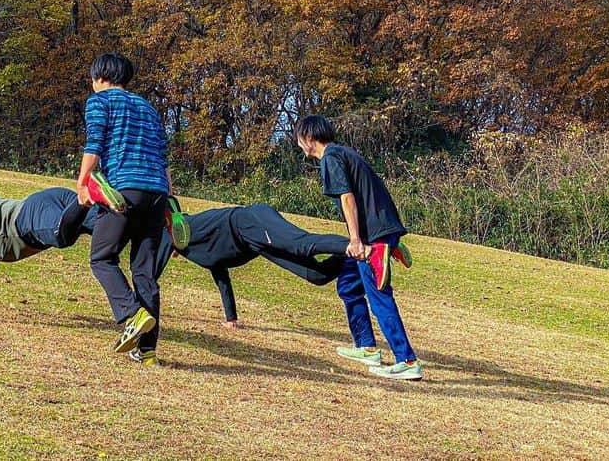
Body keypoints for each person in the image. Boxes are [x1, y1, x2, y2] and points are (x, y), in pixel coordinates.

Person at [296, 114, 422, 381]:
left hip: (371, 239)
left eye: (299, 140)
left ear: (308, 138)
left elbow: (347, 198)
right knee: (348, 286)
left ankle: (407, 360)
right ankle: (366, 346)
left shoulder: (330, 157)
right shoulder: (344, 152)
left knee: (379, 297)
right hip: (379, 232)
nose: (299, 146)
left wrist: (355, 239)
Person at [78, 53, 172, 366]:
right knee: (144, 271)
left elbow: (94, 145)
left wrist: (82, 183)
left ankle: (132, 315)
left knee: (102, 257)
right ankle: (147, 351)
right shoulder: (148, 108)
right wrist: (169, 203)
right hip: (156, 193)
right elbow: (162, 158)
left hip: (123, 191)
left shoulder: (100, 101)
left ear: (98, 77)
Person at [0, 185, 119, 321]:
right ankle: (128, 211)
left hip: (31, 218)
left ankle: (88, 193)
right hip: (50, 197)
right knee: (110, 224)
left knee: (61, 235)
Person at [154, 203, 351, 327]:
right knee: (316, 275)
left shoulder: (180, 228)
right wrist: (231, 319)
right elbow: (220, 274)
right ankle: (355, 257)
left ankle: (361, 246)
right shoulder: (197, 248)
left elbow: (152, 271)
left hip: (250, 221)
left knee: (300, 245)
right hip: (253, 242)